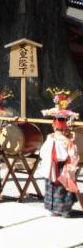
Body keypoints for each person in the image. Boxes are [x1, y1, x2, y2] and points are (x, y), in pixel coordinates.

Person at [39, 88, 81, 218]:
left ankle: (51, 209)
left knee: (52, 186)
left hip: (51, 167)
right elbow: (74, 157)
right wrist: (72, 165)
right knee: (63, 187)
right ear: (66, 126)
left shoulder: (50, 138)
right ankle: (64, 209)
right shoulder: (68, 142)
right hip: (63, 168)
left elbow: (42, 154)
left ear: (53, 125)